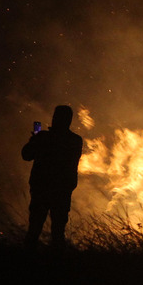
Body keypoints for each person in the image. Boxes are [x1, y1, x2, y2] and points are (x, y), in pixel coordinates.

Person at [21, 105, 84, 249]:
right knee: (57, 232)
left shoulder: (44, 138)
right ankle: (57, 262)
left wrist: (34, 140)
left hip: (43, 189)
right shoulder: (74, 140)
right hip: (61, 190)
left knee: (35, 229)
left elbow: (26, 155)